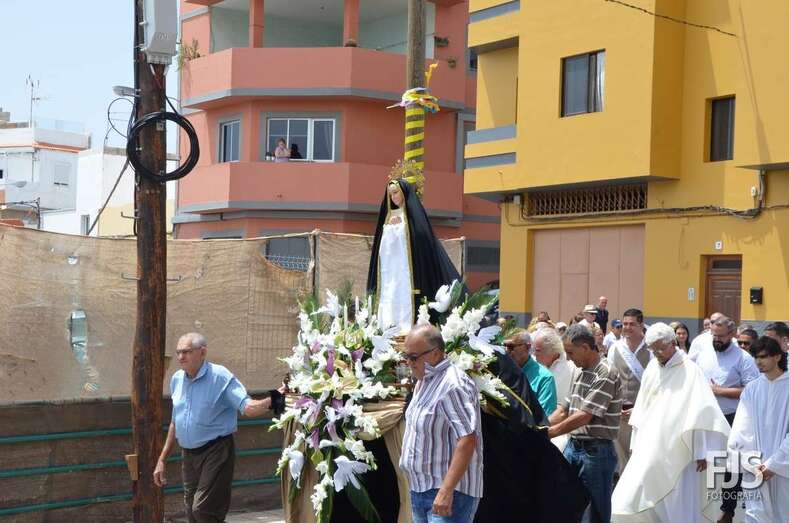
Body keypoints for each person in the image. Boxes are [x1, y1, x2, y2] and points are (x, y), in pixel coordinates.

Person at [153, 333, 284, 522]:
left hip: (216, 450)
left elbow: (247, 407)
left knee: (204, 510)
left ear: (203, 352)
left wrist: (275, 398)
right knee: (191, 512)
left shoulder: (220, 376)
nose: (181, 357)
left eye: (187, 352)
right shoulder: (177, 380)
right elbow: (176, 421)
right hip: (188, 454)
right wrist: (162, 459)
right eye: (179, 352)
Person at [611, 323, 730, 522]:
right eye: (653, 349)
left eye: (661, 348)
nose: (657, 353)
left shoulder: (690, 370)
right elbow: (643, 406)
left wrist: (701, 451)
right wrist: (635, 441)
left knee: (678, 497)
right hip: (650, 444)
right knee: (639, 491)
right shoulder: (652, 368)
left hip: (682, 447)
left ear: (673, 343)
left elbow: (700, 411)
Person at [400, 325, 483, 523]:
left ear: (436, 353)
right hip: (421, 489)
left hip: (449, 492)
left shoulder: (452, 384)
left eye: (413, 357)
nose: (408, 363)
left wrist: (446, 491)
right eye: (406, 357)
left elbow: (467, 439)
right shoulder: (425, 381)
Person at [367, 178, 461, 333]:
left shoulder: (414, 218)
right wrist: (390, 229)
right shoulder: (388, 217)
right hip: (392, 272)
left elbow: (420, 241)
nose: (393, 197)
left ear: (404, 192)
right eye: (390, 195)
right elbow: (382, 248)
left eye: (396, 193)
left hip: (410, 275)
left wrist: (401, 229)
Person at [549, 324, 622, 523]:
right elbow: (564, 409)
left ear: (586, 348)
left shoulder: (605, 372)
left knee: (594, 512)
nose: (569, 358)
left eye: (571, 352)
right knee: (568, 504)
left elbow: (585, 415)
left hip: (596, 452)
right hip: (574, 447)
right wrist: (541, 426)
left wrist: (549, 433)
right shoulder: (581, 371)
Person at [691, 316, 760, 523]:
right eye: (714, 334)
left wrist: (719, 391)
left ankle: (727, 509)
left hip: (731, 417)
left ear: (732, 335)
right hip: (704, 417)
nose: (717, 339)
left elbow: (752, 390)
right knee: (701, 460)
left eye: (721, 336)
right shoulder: (702, 352)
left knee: (731, 466)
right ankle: (695, 506)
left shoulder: (744, 358)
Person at [728, 336, 789, 522]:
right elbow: (742, 427)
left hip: (784, 469)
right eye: (756, 357)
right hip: (757, 468)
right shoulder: (752, 389)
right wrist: (751, 463)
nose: (758, 362)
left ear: (778, 357)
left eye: (763, 357)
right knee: (756, 514)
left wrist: (775, 464)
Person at [607, 308, 650, 474]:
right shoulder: (615, 348)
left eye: (632, 324)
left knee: (639, 457)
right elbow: (610, 379)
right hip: (619, 411)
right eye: (624, 324)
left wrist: (639, 409)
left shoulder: (651, 349)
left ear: (641, 325)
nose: (627, 327)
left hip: (642, 411)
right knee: (621, 459)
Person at [533, 327, 578, 451]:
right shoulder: (533, 366)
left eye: (537, 350)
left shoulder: (572, 368)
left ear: (552, 351)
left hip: (560, 429)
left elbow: (566, 408)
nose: (534, 354)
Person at [504, 330, 557, 416]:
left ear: (527, 347)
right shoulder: (501, 372)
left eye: (511, 347)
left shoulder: (545, 378)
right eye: (504, 346)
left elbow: (545, 416)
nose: (506, 351)